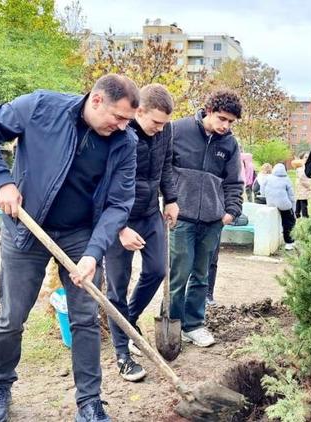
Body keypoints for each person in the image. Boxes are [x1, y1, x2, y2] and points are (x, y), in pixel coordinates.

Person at [0, 74, 139, 422]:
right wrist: (2, 181)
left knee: (86, 319)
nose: (123, 126)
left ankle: (89, 403)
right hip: (26, 228)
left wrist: (93, 253)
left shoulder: (125, 142)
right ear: (96, 101)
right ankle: (0, 386)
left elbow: (119, 204)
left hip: (80, 234)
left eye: (128, 120)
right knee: (11, 318)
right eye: (118, 117)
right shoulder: (41, 107)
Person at [104, 84, 178, 383]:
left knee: (158, 269)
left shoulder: (165, 131)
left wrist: (171, 198)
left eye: (165, 123)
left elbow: (167, 165)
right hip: (118, 218)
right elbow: (103, 184)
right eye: (155, 122)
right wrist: (119, 228)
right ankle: (122, 353)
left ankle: (128, 321)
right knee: (117, 286)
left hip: (150, 214)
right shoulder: (119, 133)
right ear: (139, 111)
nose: (160, 129)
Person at [169, 89, 244, 347]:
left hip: (213, 221)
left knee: (201, 274)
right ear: (209, 110)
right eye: (222, 118)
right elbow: (162, 168)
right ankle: (171, 323)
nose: (226, 126)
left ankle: (194, 325)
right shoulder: (177, 131)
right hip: (182, 217)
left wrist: (231, 211)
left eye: (231, 122)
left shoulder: (230, 145)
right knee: (179, 272)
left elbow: (235, 181)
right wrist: (169, 200)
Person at [263, 163, 296, 250]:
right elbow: (291, 196)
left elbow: (262, 188)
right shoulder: (287, 179)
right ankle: (289, 243)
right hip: (284, 205)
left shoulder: (269, 177)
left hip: (271, 203)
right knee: (289, 222)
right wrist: (293, 206)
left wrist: (266, 196)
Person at [295, 152, 311, 217]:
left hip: (301, 187)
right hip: (303, 187)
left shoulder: (305, 166)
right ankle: (305, 215)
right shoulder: (301, 168)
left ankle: (297, 213)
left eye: (308, 157)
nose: (307, 159)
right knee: (304, 202)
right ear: (301, 159)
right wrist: (309, 186)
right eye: (305, 157)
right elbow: (302, 179)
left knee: (299, 200)